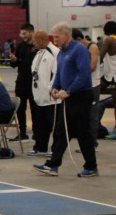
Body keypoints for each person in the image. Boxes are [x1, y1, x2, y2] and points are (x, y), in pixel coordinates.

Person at [34, 23, 98, 178]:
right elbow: (59, 73)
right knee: (62, 131)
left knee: (83, 132)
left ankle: (91, 166)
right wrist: (55, 88)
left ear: (67, 35)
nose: (54, 40)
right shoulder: (62, 52)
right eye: (53, 37)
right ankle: (53, 164)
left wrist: (69, 91)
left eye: (57, 37)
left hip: (80, 96)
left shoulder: (79, 50)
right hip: (68, 97)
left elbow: (84, 74)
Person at [28, 30, 60, 157]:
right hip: (38, 95)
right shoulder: (39, 52)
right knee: (40, 124)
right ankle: (40, 147)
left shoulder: (55, 52)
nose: (33, 43)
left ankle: (55, 149)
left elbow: (57, 73)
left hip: (50, 97)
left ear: (42, 39)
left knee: (53, 125)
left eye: (35, 41)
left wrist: (51, 88)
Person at [9, 24, 35, 141]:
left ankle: (36, 131)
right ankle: (22, 132)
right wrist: (14, 60)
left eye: (24, 33)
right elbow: (14, 64)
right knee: (20, 108)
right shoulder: (20, 46)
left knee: (35, 108)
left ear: (31, 32)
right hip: (21, 81)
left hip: (33, 81)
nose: (22, 36)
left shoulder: (37, 47)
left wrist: (20, 61)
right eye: (21, 33)